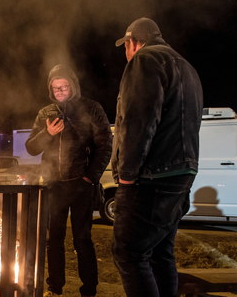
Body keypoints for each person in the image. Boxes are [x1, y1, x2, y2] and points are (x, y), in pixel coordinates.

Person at [112, 17, 203, 297]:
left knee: (128, 253)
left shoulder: (145, 60)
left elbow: (138, 122)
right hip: (182, 174)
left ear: (132, 42)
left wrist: (126, 175)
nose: (126, 53)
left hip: (150, 177)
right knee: (160, 253)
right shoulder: (188, 68)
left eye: (126, 46)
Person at [26, 64, 112, 297]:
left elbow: (105, 145)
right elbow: (31, 147)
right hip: (54, 184)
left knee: (82, 239)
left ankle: (89, 289)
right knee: (53, 239)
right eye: (56, 88)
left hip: (81, 183)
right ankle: (55, 287)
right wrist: (47, 134)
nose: (61, 91)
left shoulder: (91, 109)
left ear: (73, 85)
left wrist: (89, 177)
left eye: (64, 86)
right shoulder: (45, 113)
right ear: (50, 89)